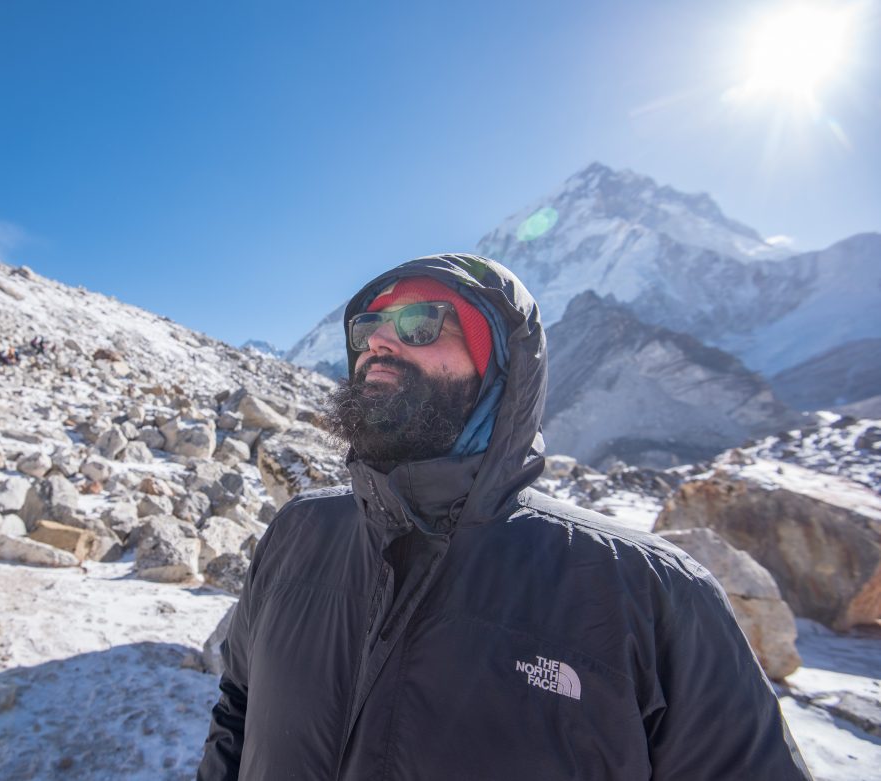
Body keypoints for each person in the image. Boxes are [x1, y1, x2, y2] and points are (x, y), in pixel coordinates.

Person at [197, 253, 811, 780]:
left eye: (418, 322)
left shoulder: (647, 592)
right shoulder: (299, 531)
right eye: (368, 328)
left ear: (500, 373)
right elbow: (238, 707)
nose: (379, 341)